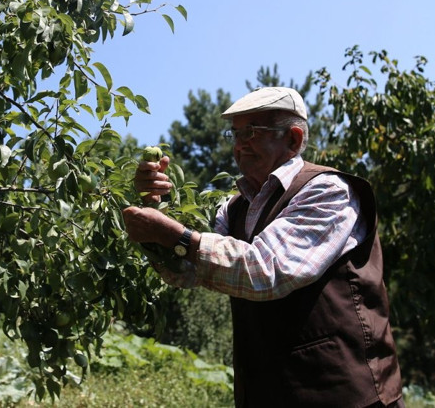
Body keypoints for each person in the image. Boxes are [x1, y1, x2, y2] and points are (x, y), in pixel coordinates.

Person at [122, 87, 404, 408]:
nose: (240, 144)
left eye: (253, 132)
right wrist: (155, 209)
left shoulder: (328, 191)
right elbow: (189, 271)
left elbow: (266, 270)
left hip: (343, 394)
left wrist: (177, 237)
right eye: (236, 133)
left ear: (293, 140)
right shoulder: (233, 209)